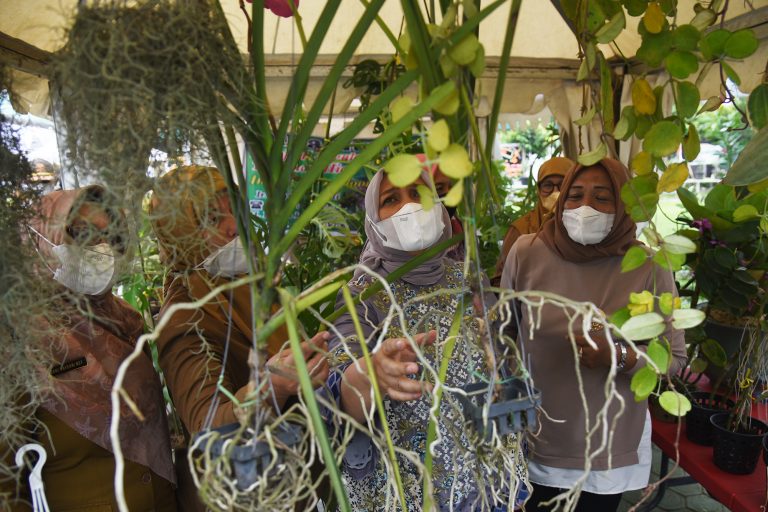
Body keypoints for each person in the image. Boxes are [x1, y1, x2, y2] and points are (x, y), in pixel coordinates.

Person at [325, 168, 528, 511]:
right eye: (391, 199)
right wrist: (369, 373)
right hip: (405, 490)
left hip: (479, 479)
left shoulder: (467, 278)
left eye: (419, 193)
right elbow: (339, 394)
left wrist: (512, 482)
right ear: (374, 222)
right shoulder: (363, 295)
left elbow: (497, 369)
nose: (409, 207)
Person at [499, 158, 686, 511]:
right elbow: (504, 334)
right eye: (575, 195)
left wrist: (615, 356)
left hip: (607, 446)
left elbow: (673, 358)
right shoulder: (525, 252)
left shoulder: (648, 265)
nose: (585, 207)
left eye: (602, 198)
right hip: (535, 436)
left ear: (623, 205)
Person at [7, 185, 177, 511]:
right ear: (41, 239)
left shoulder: (126, 321)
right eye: (81, 235)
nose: (99, 249)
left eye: (107, 236)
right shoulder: (18, 341)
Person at [150, 165, 329, 434]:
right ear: (180, 235)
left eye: (235, 210)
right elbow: (205, 421)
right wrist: (270, 389)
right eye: (212, 219)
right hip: (256, 468)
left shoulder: (243, 283)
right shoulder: (187, 315)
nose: (233, 227)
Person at [492, 157, 574, 286]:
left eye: (562, 184)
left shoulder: (582, 227)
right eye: (548, 185)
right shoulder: (521, 229)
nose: (555, 191)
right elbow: (501, 279)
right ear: (538, 189)